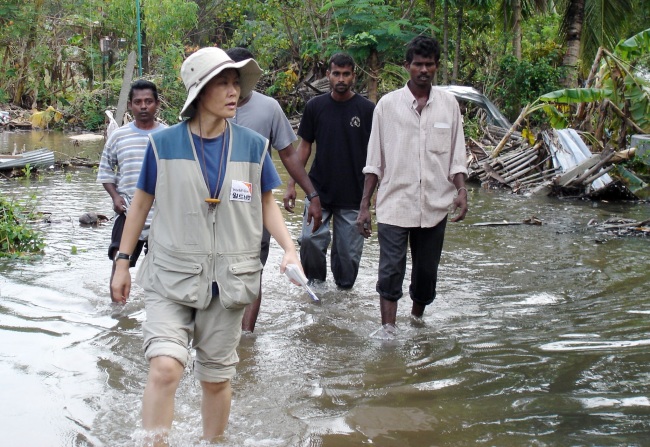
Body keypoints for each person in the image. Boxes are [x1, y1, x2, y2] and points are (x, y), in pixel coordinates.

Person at [110, 47, 302, 444]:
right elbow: (140, 205)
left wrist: (290, 248)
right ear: (199, 92)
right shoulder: (163, 145)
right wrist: (122, 263)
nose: (234, 92)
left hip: (228, 282)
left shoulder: (252, 146)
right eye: (224, 84)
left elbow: (267, 202)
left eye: (237, 84)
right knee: (165, 367)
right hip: (170, 275)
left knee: (216, 379)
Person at [356, 35, 469, 331]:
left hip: (434, 205)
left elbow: (457, 156)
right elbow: (374, 163)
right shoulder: (386, 106)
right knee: (391, 269)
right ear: (407, 66)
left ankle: (417, 322)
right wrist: (364, 206)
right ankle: (389, 331)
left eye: (429, 65)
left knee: (426, 273)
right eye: (418, 64)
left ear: (436, 67)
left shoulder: (449, 106)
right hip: (394, 203)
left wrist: (461, 190)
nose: (423, 70)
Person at [225, 47, 322, 333]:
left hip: (255, 202)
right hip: (215, 205)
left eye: (240, 76)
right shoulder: (206, 109)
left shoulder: (269, 108)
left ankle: (245, 337)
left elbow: (289, 155)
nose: (234, 85)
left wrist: (311, 194)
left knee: (253, 271)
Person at [287, 53, 375, 289]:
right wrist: (291, 185)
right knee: (309, 241)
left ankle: (342, 299)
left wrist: (371, 200)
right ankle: (316, 290)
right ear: (328, 75)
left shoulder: (367, 110)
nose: (341, 79)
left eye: (346, 74)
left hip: (354, 195)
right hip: (318, 191)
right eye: (336, 73)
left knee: (347, 258)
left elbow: (376, 157)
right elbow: (304, 147)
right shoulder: (315, 107)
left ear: (354, 76)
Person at [96, 80, 167, 303]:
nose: (143, 106)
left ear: (157, 104)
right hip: (127, 212)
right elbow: (106, 172)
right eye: (138, 102)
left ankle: (157, 310)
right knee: (119, 262)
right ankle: (118, 315)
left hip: (162, 215)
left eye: (148, 101)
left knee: (162, 270)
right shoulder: (119, 136)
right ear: (130, 105)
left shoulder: (169, 136)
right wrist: (115, 198)